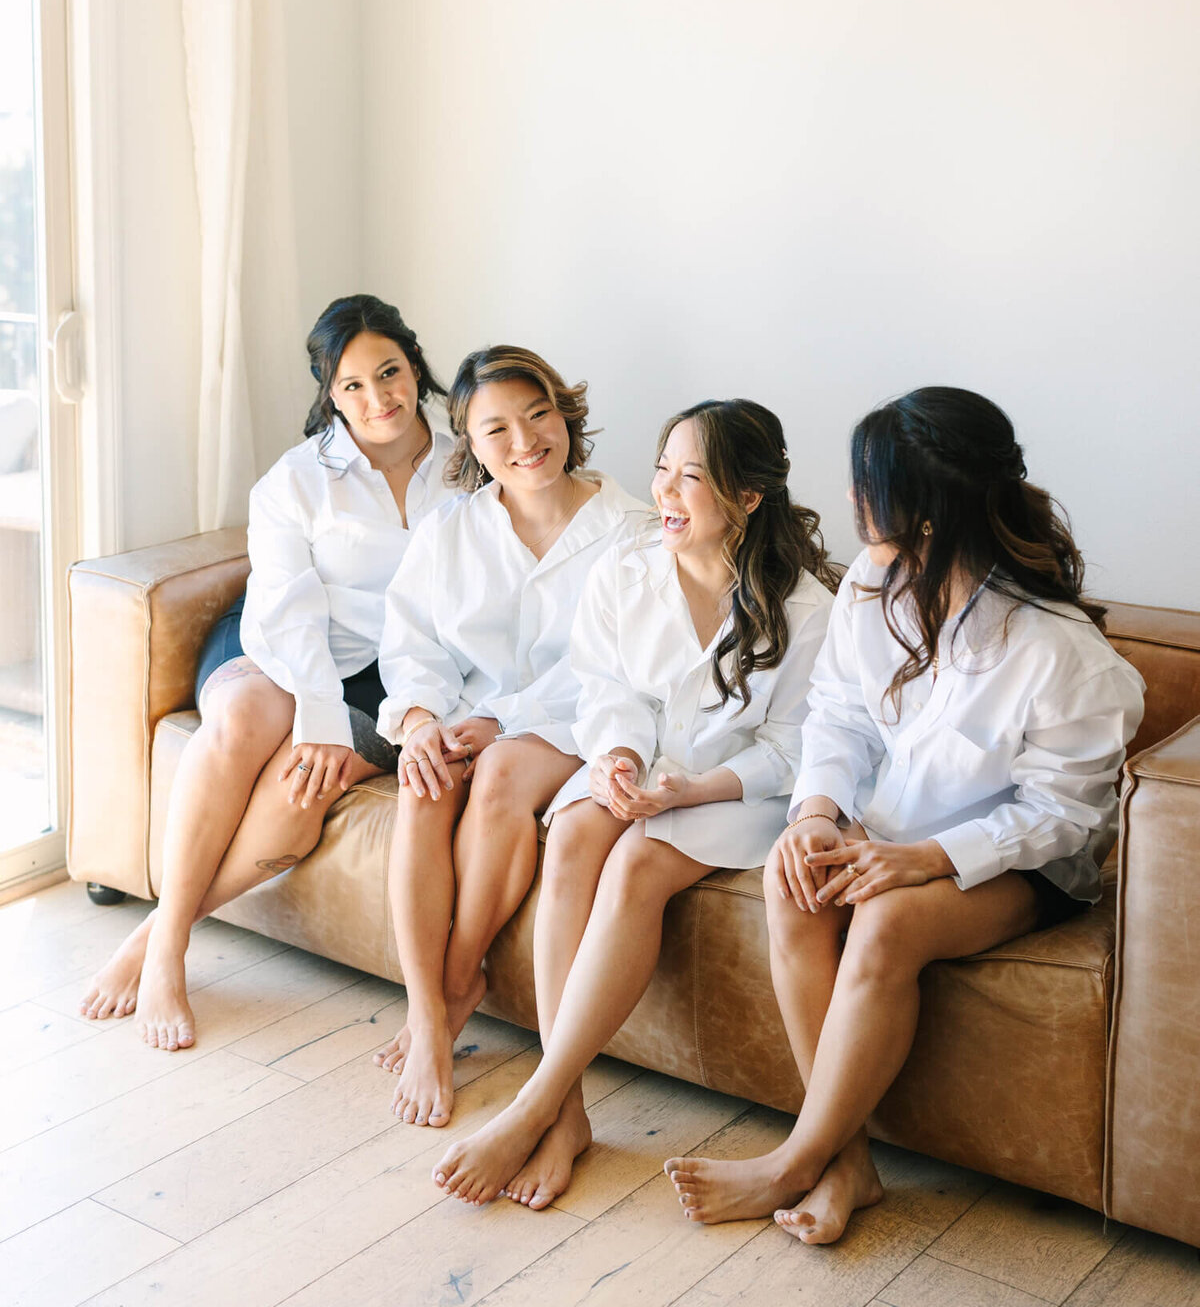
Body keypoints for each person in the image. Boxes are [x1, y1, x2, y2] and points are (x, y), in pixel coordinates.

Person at [664, 386, 1146, 1242]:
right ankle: (848, 1163)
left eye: (866, 489)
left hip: (1017, 862)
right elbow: (840, 717)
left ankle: (793, 1160)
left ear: (924, 513)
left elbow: (1064, 816)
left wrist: (928, 860)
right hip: (890, 828)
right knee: (795, 883)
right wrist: (816, 811)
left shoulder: (1058, 649)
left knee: (884, 924)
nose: (851, 503)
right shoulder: (871, 587)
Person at [431, 399, 837, 1207]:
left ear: (749, 497)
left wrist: (695, 789)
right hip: (644, 765)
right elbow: (605, 689)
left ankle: (535, 1099)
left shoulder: (806, 610)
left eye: (692, 477)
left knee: (638, 865)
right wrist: (616, 757)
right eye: (662, 470)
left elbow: (794, 749)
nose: (666, 493)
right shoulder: (624, 573)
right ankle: (568, 1112)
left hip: (739, 792)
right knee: (577, 831)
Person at [79, 294, 453, 1049]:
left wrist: (346, 728)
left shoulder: (466, 465)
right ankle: (169, 960)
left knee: (301, 787)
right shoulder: (298, 479)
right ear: (329, 393)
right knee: (250, 718)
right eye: (352, 385)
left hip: (392, 671)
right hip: (276, 640)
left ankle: (162, 930)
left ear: (414, 364)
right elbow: (288, 611)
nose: (377, 398)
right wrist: (314, 713)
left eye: (389, 372)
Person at [374, 344, 646, 1129]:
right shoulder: (449, 531)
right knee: (423, 788)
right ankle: (428, 1013)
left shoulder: (629, 531)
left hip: (577, 721)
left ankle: (458, 984)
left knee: (494, 774)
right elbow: (411, 644)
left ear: (566, 415)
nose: (526, 442)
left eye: (539, 416)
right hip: (463, 717)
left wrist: (499, 722)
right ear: (468, 442)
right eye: (497, 430)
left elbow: (613, 666)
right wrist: (422, 721)